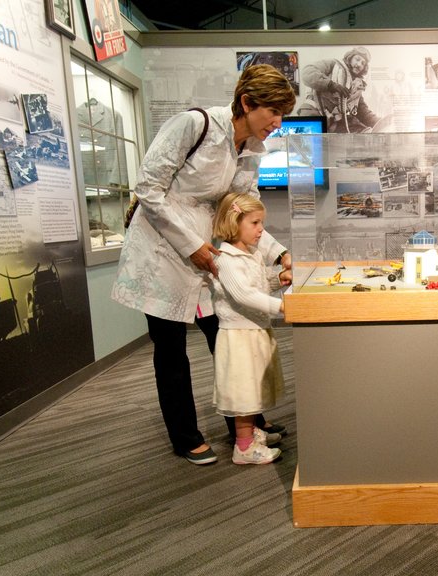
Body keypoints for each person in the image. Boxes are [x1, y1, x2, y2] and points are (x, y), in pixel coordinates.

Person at [111, 64, 296, 465]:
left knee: (228, 337)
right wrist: (191, 244)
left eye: (283, 113)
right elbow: (147, 187)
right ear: (247, 102)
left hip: (209, 256)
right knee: (171, 347)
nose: (278, 123)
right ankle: (184, 434)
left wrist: (278, 251)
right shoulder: (194, 125)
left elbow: (242, 213)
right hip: (162, 250)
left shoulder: (251, 152)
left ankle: (246, 426)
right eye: (273, 111)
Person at [211, 193, 285, 465]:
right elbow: (243, 294)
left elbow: (258, 285)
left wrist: (279, 278)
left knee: (254, 387)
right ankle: (243, 447)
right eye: (255, 223)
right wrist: (280, 307)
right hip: (238, 336)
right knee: (243, 391)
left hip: (254, 331)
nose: (260, 229)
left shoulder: (250, 255)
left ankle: (251, 436)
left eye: (261, 223)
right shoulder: (226, 259)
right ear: (234, 222)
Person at [298, 47, 381, 133]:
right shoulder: (333, 65)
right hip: (313, 113)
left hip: (333, 124)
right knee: (311, 144)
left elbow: (363, 112)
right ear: (350, 58)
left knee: (363, 132)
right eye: (357, 59)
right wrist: (330, 85)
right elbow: (307, 72)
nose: (359, 64)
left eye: (363, 63)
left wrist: (382, 123)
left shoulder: (356, 87)